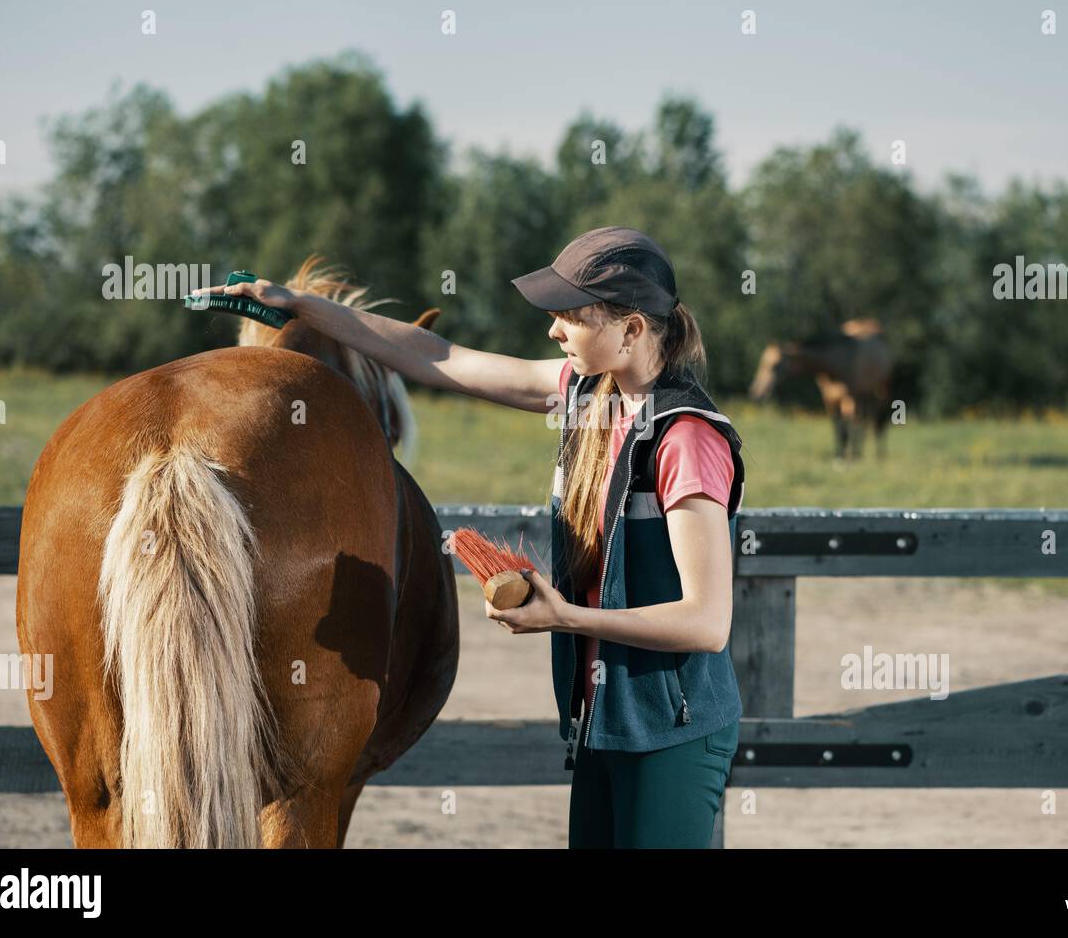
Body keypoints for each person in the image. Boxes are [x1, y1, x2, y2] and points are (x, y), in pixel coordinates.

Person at [211, 226, 746, 848]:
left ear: (631, 330)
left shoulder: (686, 441)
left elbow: (706, 623)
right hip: (606, 721)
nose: (553, 329)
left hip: (673, 734)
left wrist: (564, 616)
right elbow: (439, 357)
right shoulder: (588, 395)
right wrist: (304, 307)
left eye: (572, 315)